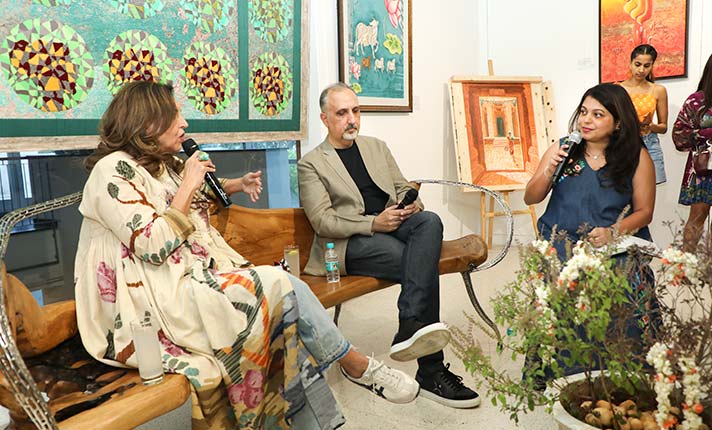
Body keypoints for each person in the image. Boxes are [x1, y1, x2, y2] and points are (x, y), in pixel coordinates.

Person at [74, 81, 420, 430]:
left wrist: (235, 184)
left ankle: (321, 416)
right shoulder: (111, 171)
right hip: (153, 298)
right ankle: (354, 363)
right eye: (176, 115)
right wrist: (189, 182)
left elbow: (200, 192)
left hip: (194, 276)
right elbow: (151, 244)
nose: (185, 123)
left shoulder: (162, 164)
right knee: (281, 285)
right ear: (148, 123)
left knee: (284, 317)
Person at [297, 82, 480, 409]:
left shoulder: (376, 147)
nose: (351, 119)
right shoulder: (311, 163)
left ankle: (409, 321)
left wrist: (410, 206)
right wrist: (374, 223)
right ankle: (432, 371)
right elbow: (323, 221)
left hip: (393, 223)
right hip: (350, 242)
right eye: (342, 113)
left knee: (430, 221)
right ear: (324, 118)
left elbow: (403, 188)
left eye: (356, 111)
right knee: (416, 260)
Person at [672, 53, 712, 252]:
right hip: (702, 170)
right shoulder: (697, 101)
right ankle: (685, 264)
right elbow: (679, 136)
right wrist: (707, 133)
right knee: (696, 219)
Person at [617, 44, 669, 184]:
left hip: (650, 143)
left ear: (652, 66)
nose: (641, 70)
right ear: (630, 63)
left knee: (649, 190)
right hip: (624, 143)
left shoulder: (658, 90)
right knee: (625, 189)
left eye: (647, 66)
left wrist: (650, 125)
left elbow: (663, 127)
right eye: (638, 64)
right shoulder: (618, 89)